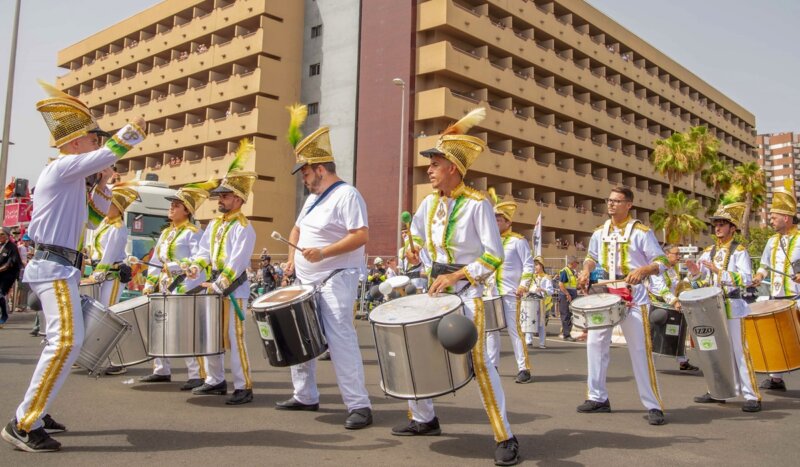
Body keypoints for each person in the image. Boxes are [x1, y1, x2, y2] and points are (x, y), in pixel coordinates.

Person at [2, 81, 146, 452]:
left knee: (59, 341)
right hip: (54, 267)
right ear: (76, 143)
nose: (99, 144)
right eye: (94, 139)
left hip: (60, 267)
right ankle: (24, 423)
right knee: (67, 341)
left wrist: (103, 182)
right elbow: (107, 154)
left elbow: (98, 216)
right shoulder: (62, 167)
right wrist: (132, 131)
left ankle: (39, 409)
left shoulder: (71, 178)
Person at [398, 108, 519, 466]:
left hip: (468, 295)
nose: (429, 170)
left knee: (481, 364)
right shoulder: (427, 204)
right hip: (434, 292)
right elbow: (416, 239)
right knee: (415, 352)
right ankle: (422, 418)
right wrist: (411, 247)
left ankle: (505, 436)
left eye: (434, 164)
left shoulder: (478, 205)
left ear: (452, 166)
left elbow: (493, 257)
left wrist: (457, 275)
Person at [274, 105, 373, 430]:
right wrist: (292, 259)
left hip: (335, 279)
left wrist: (324, 252)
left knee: (339, 338)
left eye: (305, 172)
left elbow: (360, 236)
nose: (303, 178)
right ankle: (304, 395)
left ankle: (359, 405)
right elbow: (297, 230)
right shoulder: (312, 199)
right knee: (297, 332)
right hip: (306, 277)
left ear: (319, 168)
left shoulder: (347, 195)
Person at [576, 187, 670, 426]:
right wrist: (586, 271)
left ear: (629, 204)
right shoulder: (600, 231)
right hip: (606, 294)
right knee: (595, 345)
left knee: (640, 350)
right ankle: (597, 398)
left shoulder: (641, 232)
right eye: (609, 200)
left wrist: (642, 270)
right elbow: (591, 256)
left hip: (635, 296)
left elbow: (661, 261)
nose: (611, 204)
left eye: (617, 201)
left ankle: (653, 404)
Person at [186, 140, 256, 405]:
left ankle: (243, 386)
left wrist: (219, 284)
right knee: (210, 334)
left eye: (225, 196)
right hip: (211, 286)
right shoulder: (214, 225)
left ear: (238, 199)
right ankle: (215, 380)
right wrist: (195, 267)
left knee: (235, 339)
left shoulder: (244, 227)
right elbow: (204, 253)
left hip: (233, 290)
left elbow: (237, 262)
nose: (220, 199)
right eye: (219, 196)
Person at [684, 196, 761, 412]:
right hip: (712, 309)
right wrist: (695, 272)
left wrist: (720, 272)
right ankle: (717, 390)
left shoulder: (740, 251)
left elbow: (746, 278)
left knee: (738, 351)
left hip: (733, 307)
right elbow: (701, 282)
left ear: (733, 228)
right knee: (715, 351)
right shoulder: (708, 252)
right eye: (716, 224)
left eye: (722, 224)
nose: (717, 228)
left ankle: (752, 395)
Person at [139, 181, 213, 389]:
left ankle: (197, 373)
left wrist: (173, 267)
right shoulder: (165, 233)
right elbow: (155, 262)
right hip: (164, 287)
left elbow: (199, 261)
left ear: (187, 210)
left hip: (185, 287)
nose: (171, 208)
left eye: (176, 205)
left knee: (186, 329)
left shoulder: (193, 233)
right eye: (171, 204)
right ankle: (161, 369)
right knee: (160, 327)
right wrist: (149, 283)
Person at [751, 181, 800, 392]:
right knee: (777, 338)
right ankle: (776, 380)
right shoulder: (771, 241)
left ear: (786, 218)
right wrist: (759, 275)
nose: (770, 220)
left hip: (798, 297)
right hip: (777, 297)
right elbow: (764, 265)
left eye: (773, 217)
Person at [485, 188, 534, 384]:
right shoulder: (488, 242)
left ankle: (524, 368)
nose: (495, 222)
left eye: (498, 219)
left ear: (508, 222)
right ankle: (492, 365)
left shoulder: (518, 241)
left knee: (515, 330)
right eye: (493, 219)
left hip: (510, 292)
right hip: (491, 293)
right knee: (491, 331)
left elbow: (529, 264)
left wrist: (524, 285)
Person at [646, 244, 699, 372]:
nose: (679, 256)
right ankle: (647, 364)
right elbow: (661, 289)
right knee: (652, 335)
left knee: (678, 331)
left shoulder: (671, 270)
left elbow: (679, 286)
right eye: (676, 254)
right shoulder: (656, 268)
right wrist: (674, 301)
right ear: (666, 254)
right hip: (655, 306)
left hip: (669, 304)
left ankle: (683, 361)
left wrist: (693, 275)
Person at [527, 256, 554, 349]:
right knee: (529, 320)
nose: (535, 267)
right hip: (531, 300)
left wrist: (542, 289)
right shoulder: (532, 277)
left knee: (541, 323)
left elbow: (551, 291)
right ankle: (528, 341)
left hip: (541, 302)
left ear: (542, 266)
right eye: (535, 265)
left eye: (537, 265)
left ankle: (542, 343)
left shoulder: (547, 278)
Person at [0, 228, 22, 325]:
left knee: (0, 293)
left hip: (8, 275)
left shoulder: (12, 247)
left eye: (1, 234)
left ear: (7, 235)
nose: (0, 236)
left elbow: (10, 263)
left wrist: (1, 269)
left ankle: (4, 315)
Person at [557, 256, 580, 341]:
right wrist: (567, 294)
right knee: (566, 314)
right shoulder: (565, 271)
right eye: (576, 263)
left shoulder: (572, 272)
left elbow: (573, 285)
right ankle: (566, 335)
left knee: (570, 315)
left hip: (572, 294)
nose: (577, 264)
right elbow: (561, 284)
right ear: (572, 262)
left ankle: (567, 332)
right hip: (566, 296)